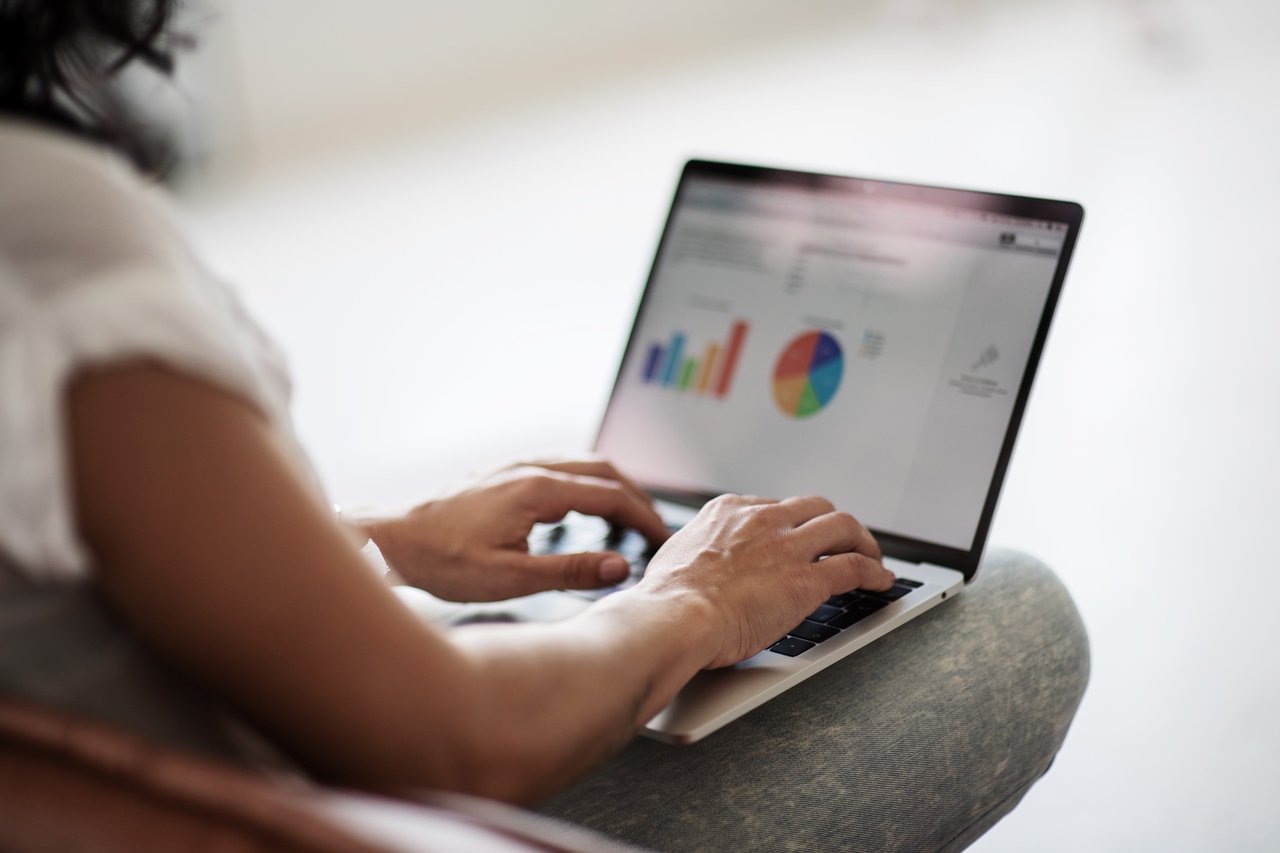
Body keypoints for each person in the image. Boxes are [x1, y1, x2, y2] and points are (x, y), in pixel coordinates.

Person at [0, 3, 1089, 850]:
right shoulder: (49, 231)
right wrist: (696, 600)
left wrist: (365, 540)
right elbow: (456, 742)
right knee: (1008, 608)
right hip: (345, 815)